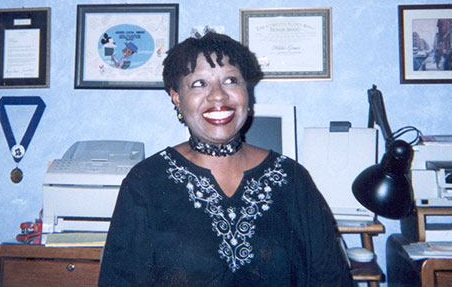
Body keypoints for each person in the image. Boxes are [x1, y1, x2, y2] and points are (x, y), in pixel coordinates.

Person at [99, 32, 354, 287]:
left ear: (247, 92)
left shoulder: (292, 179)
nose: (218, 96)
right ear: (177, 97)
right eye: (199, 84)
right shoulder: (146, 182)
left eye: (230, 81)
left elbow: (331, 278)